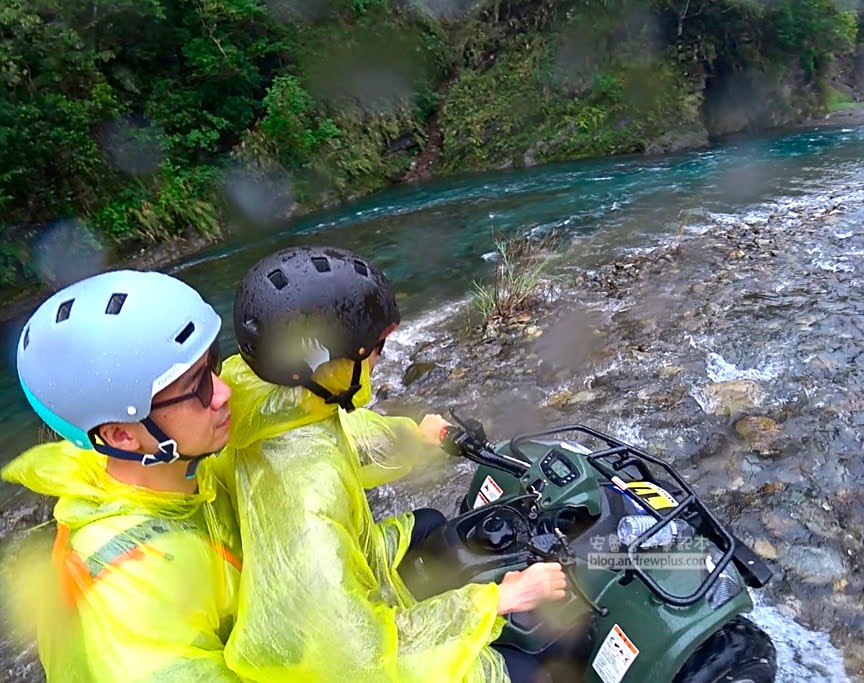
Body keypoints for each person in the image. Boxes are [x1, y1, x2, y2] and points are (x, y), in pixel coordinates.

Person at [211, 245, 567, 683]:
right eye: (375, 349)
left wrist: (417, 440)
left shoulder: (263, 394)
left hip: (301, 594)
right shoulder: (310, 499)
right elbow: (352, 655)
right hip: (324, 651)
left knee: (432, 522)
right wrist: (496, 600)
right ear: (331, 366)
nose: (378, 359)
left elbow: (342, 439)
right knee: (535, 672)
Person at [1, 270, 243, 681]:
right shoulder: (129, 578)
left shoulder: (181, 462)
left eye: (213, 363)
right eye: (199, 386)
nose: (223, 392)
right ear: (120, 435)